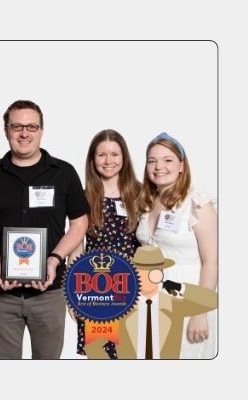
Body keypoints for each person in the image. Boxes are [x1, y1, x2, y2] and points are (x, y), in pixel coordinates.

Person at [0, 100, 89, 359]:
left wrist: (54, 260)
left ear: (41, 130)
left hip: (50, 290)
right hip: (2, 292)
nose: (24, 133)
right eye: (17, 126)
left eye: (31, 126)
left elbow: (79, 223)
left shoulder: (64, 173)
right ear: (6, 130)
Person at [135, 132, 217, 359]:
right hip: (151, 299)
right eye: (152, 160)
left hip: (188, 299)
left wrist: (200, 312)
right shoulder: (147, 204)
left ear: (182, 166)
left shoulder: (197, 205)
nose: (159, 166)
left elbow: (212, 262)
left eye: (167, 160)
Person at [69, 129, 142, 358]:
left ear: (124, 157)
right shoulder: (83, 196)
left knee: (132, 353)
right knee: (100, 354)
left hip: (134, 288)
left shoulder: (140, 193)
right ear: (93, 159)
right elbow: (76, 245)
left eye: (114, 154)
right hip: (96, 290)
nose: (108, 161)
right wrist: (73, 296)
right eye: (102, 155)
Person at [83, 246, 217, 359]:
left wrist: (181, 287)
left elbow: (211, 300)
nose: (147, 276)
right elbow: (93, 344)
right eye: (141, 271)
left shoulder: (173, 305)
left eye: (153, 271)